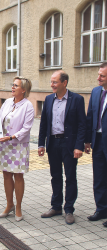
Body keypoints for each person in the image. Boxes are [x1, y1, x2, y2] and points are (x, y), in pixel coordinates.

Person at [38, 70, 86, 225]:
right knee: (55, 176)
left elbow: (81, 125)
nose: (52, 85)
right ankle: (56, 206)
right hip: (53, 143)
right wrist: (41, 144)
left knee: (70, 177)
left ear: (64, 83)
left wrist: (79, 146)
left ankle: (69, 209)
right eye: (51, 82)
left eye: (55, 82)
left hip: (69, 145)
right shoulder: (48, 99)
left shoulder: (77, 99)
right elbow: (43, 124)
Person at [0, 76, 34, 222]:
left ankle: (18, 207)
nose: (13, 87)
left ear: (23, 90)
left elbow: (27, 128)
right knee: (6, 175)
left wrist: (11, 137)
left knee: (18, 176)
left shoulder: (28, 106)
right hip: (5, 144)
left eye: (16, 86)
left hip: (18, 144)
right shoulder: (7, 102)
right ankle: (9, 204)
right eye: (12, 85)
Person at [85, 62, 107, 227]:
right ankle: (101, 209)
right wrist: (87, 140)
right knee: (99, 177)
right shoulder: (96, 91)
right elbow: (90, 116)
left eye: (102, 76)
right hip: (97, 141)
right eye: (99, 74)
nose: (98, 78)